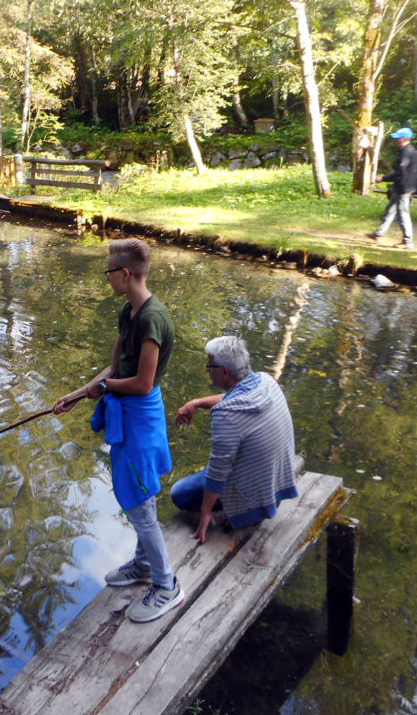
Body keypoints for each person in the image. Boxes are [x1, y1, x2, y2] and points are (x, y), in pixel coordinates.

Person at [53, 238, 182, 623]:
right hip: (125, 412)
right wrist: (76, 395)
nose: (106, 278)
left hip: (140, 416)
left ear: (125, 274)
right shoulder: (129, 312)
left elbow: (142, 383)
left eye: (108, 272)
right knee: (139, 496)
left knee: (140, 503)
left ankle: (166, 585)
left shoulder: (152, 319)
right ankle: (143, 564)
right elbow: (113, 370)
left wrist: (104, 390)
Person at [170, 336, 299, 544]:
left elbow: (218, 471)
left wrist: (205, 512)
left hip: (255, 498)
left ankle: (237, 509)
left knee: (180, 493)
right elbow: (232, 398)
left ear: (224, 372)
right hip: (279, 481)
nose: (207, 371)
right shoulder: (265, 381)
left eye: (209, 366)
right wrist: (197, 402)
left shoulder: (226, 415)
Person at [368, 127, 417, 250]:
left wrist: (384, 178)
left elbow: (400, 173)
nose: (396, 140)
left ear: (406, 139)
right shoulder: (410, 151)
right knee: (390, 210)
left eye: (398, 138)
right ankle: (379, 234)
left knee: (403, 214)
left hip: (404, 188)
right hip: (401, 187)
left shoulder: (406, 153)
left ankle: (408, 241)